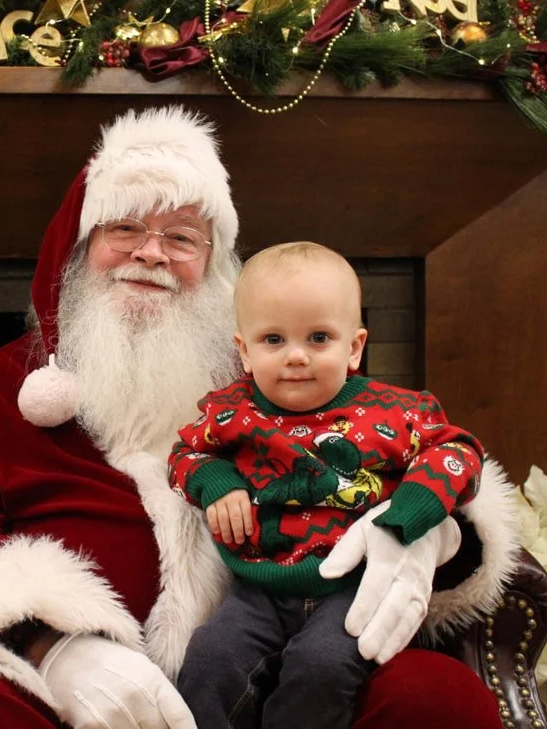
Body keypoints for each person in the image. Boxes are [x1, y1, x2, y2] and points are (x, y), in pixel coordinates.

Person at [0, 106, 520, 729]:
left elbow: (417, 448)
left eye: (181, 237)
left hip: (272, 686)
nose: (151, 253)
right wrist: (53, 649)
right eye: (124, 228)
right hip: (58, 703)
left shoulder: (275, 374)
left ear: (213, 266)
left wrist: (432, 532)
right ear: (77, 246)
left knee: (439, 696)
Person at [169, 241, 484, 728]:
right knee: (210, 659)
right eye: (273, 340)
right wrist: (217, 480)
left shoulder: (394, 410)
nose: (296, 357)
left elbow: (458, 451)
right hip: (258, 585)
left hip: (353, 586)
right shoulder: (232, 411)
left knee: (320, 669)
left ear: (354, 347)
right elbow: (185, 453)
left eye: (318, 338)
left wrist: (410, 511)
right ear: (245, 351)